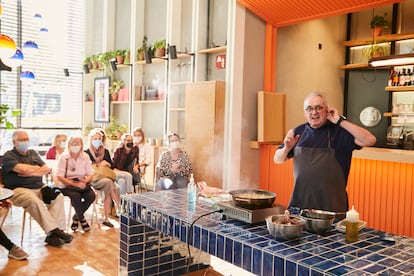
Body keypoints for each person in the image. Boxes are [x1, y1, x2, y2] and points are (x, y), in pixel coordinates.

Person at [273, 92, 376, 215]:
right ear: (304, 113)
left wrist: (340, 121)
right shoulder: (298, 132)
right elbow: (277, 159)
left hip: (332, 208)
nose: (314, 112)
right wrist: (286, 149)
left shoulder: (340, 132)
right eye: (309, 109)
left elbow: (369, 140)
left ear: (327, 110)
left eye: (319, 107)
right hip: (300, 206)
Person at [1, 130, 73, 247]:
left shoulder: (33, 153)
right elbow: (21, 169)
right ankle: (55, 231)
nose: (25, 141)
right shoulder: (9, 155)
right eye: (21, 139)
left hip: (39, 187)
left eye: (26, 139)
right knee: (34, 200)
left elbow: (46, 168)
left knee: (57, 196)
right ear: (14, 142)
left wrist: (30, 172)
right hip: (18, 189)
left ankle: (53, 235)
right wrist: (36, 169)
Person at [56, 136, 96, 232]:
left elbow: (90, 173)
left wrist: (84, 181)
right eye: (73, 143)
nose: (76, 145)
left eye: (78, 143)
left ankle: (76, 217)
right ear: (69, 145)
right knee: (75, 196)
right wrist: (74, 184)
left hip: (82, 183)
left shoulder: (85, 156)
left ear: (82, 145)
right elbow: (60, 176)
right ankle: (82, 219)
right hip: (67, 184)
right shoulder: (64, 158)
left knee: (91, 196)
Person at [85, 128, 120, 228]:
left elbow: (113, 165)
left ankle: (107, 218)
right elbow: (87, 167)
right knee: (110, 184)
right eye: (95, 138)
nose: (97, 140)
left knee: (108, 184)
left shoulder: (106, 152)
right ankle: (119, 207)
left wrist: (108, 164)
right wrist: (98, 164)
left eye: (99, 138)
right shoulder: (86, 152)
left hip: (105, 178)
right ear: (91, 139)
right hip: (93, 179)